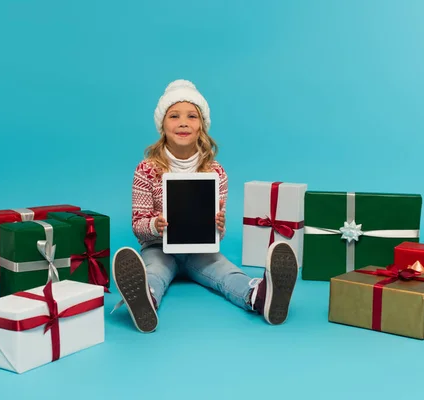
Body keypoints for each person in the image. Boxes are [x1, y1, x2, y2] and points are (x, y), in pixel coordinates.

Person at [111, 79, 298, 333]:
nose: (183, 122)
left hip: (200, 248)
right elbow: (138, 226)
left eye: (192, 116)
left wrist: (218, 227)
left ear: (202, 126)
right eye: (174, 116)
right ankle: (146, 299)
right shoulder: (146, 170)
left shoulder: (215, 171)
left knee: (225, 273)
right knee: (154, 271)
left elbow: (218, 232)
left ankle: (259, 295)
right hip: (158, 247)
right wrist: (156, 224)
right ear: (162, 126)